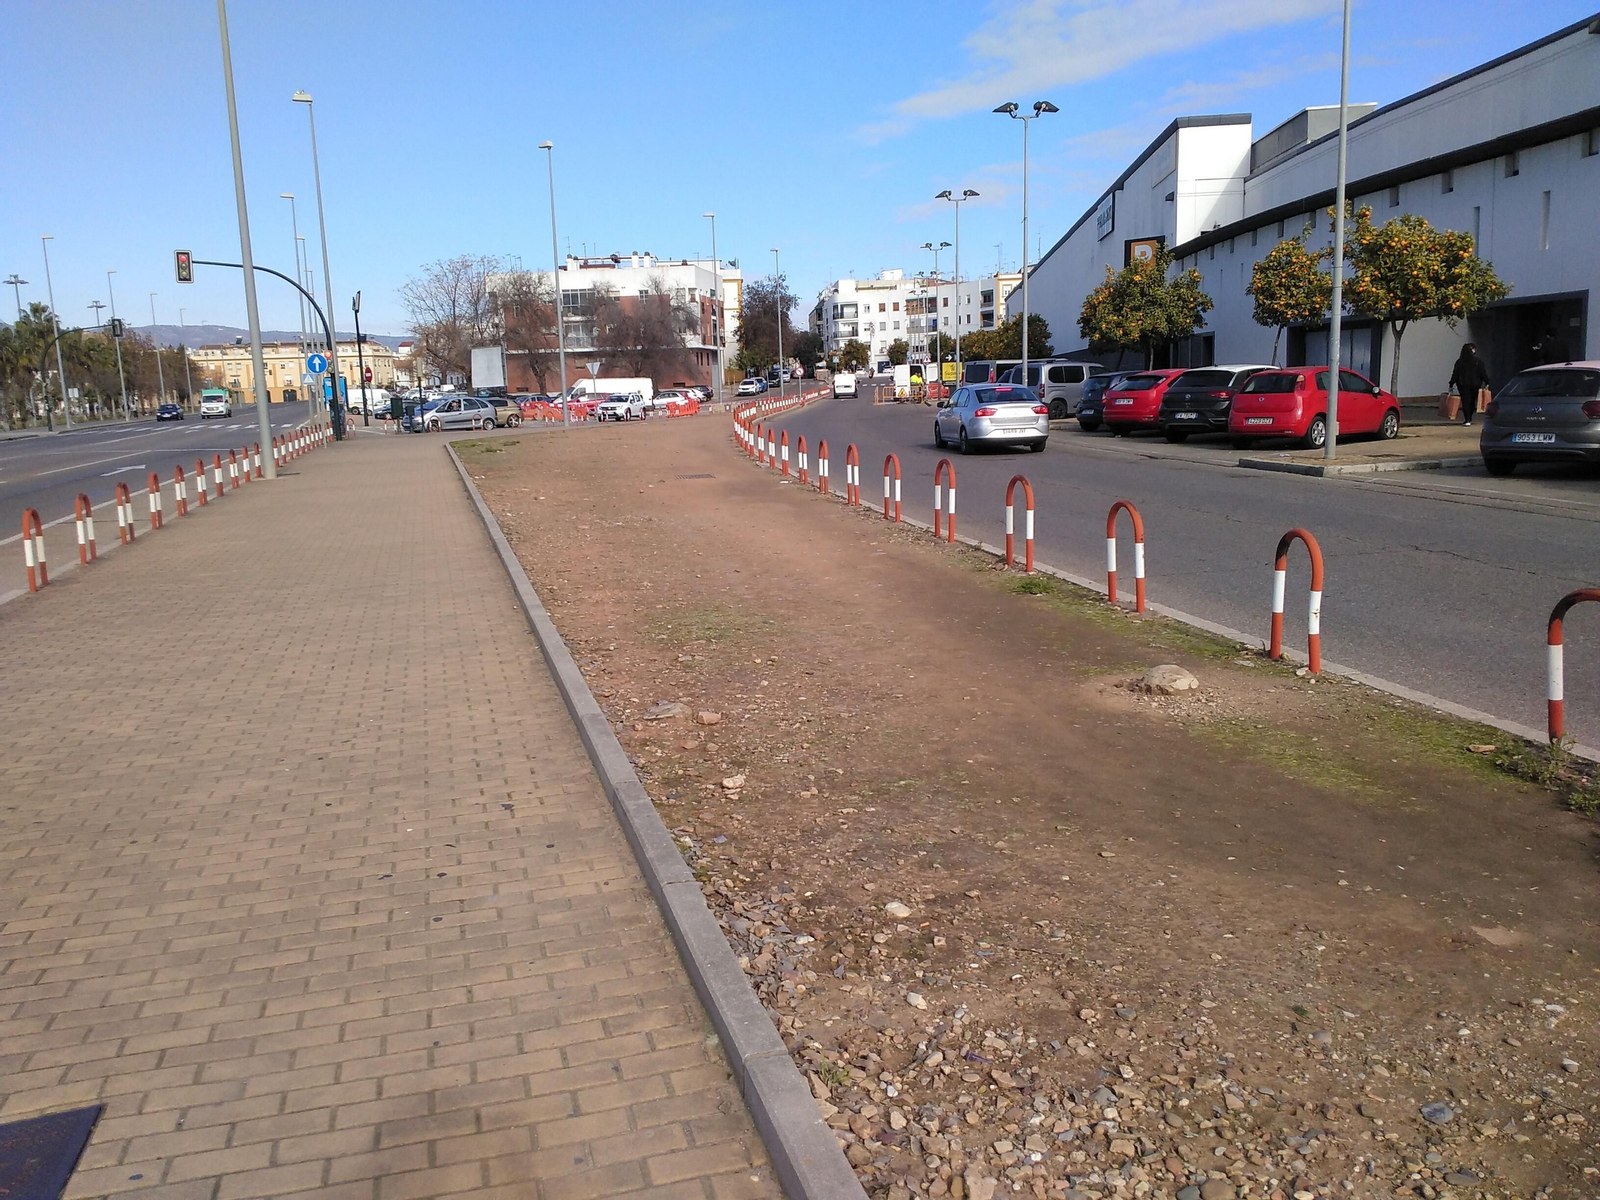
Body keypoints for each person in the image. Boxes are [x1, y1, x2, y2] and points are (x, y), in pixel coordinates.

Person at [1448, 343, 1489, 425]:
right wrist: (1487, 382)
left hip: (1462, 385)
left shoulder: (1460, 362)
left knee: (1465, 401)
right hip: (1475, 384)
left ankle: (1467, 419)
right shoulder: (1478, 361)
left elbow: (1455, 373)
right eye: (1473, 349)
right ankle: (1469, 417)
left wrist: (1451, 383)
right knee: (1472, 401)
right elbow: (1482, 372)